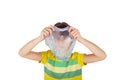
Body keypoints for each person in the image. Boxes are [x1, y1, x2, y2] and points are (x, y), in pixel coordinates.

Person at [19, 22, 106, 80]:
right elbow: (22, 53)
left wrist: (81, 39)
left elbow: (102, 56)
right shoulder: (47, 57)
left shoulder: (77, 59)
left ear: (71, 40)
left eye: (65, 37)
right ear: (52, 39)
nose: (61, 41)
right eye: (58, 37)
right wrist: (40, 38)